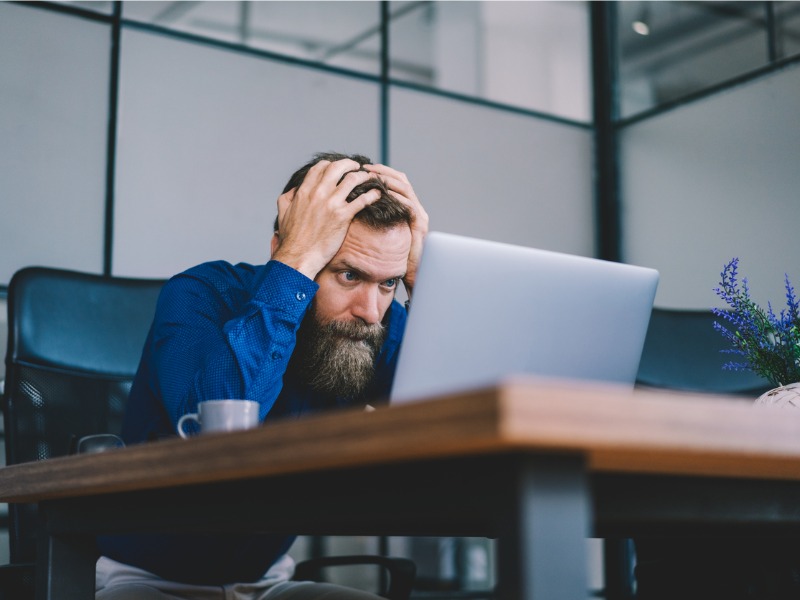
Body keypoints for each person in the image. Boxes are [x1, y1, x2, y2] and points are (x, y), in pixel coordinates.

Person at [95, 152, 429, 600]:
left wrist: (426, 284)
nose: (370, 311)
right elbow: (215, 436)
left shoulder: (372, 325)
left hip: (268, 581)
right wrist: (295, 266)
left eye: (388, 283)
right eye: (349, 275)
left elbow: (460, 418)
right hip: (145, 577)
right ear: (286, 249)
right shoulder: (199, 295)